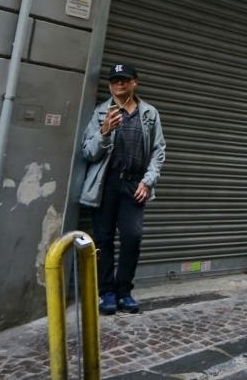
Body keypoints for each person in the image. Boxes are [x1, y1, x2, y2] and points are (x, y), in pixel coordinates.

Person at [79, 62, 166, 315]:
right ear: (109, 85)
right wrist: (104, 132)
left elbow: (158, 151)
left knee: (132, 237)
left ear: (134, 83)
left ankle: (124, 291)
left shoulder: (149, 114)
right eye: (115, 80)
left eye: (124, 79)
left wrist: (147, 181)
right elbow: (88, 152)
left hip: (135, 183)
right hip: (105, 184)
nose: (119, 84)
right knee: (103, 239)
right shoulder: (100, 113)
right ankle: (107, 292)